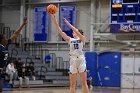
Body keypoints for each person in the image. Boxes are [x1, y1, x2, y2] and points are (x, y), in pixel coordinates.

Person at [50, 15, 89, 93]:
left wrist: (68, 24)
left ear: (79, 33)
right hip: (73, 60)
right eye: (73, 31)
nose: (73, 32)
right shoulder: (70, 39)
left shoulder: (82, 38)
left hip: (81, 59)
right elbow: (60, 31)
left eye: (75, 31)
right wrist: (53, 19)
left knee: (84, 82)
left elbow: (76, 31)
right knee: (72, 84)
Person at [0, 17, 27, 92]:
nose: (6, 39)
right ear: (1, 40)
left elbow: (15, 34)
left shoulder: (5, 45)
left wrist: (23, 24)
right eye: (4, 38)